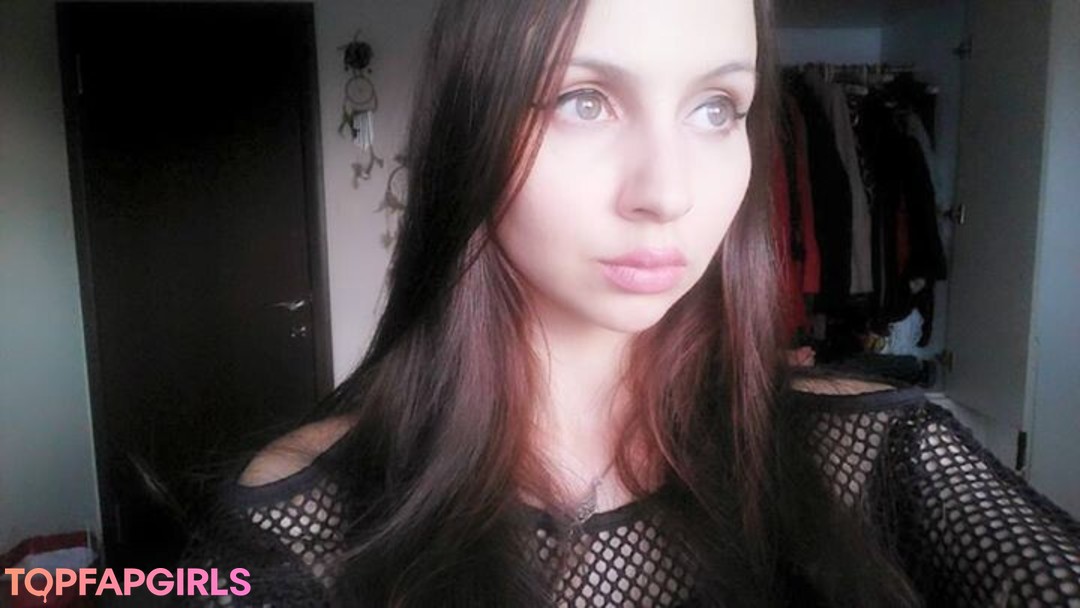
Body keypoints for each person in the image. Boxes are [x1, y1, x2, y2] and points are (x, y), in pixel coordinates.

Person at [181, 0, 1080, 606]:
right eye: (584, 100)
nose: (669, 193)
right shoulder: (302, 523)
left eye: (716, 108)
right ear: (470, 132)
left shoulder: (876, 455)